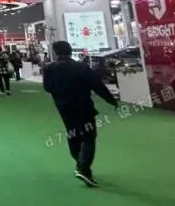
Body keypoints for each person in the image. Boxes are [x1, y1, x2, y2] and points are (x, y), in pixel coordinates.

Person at [43, 40, 119, 187]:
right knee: (88, 136)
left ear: (56, 53)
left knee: (72, 133)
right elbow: (97, 85)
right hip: (83, 106)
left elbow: (47, 87)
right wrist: (111, 100)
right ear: (70, 51)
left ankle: (80, 162)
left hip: (63, 107)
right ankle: (84, 168)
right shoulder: (81, 67)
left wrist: (60, 93)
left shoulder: (49, 69)